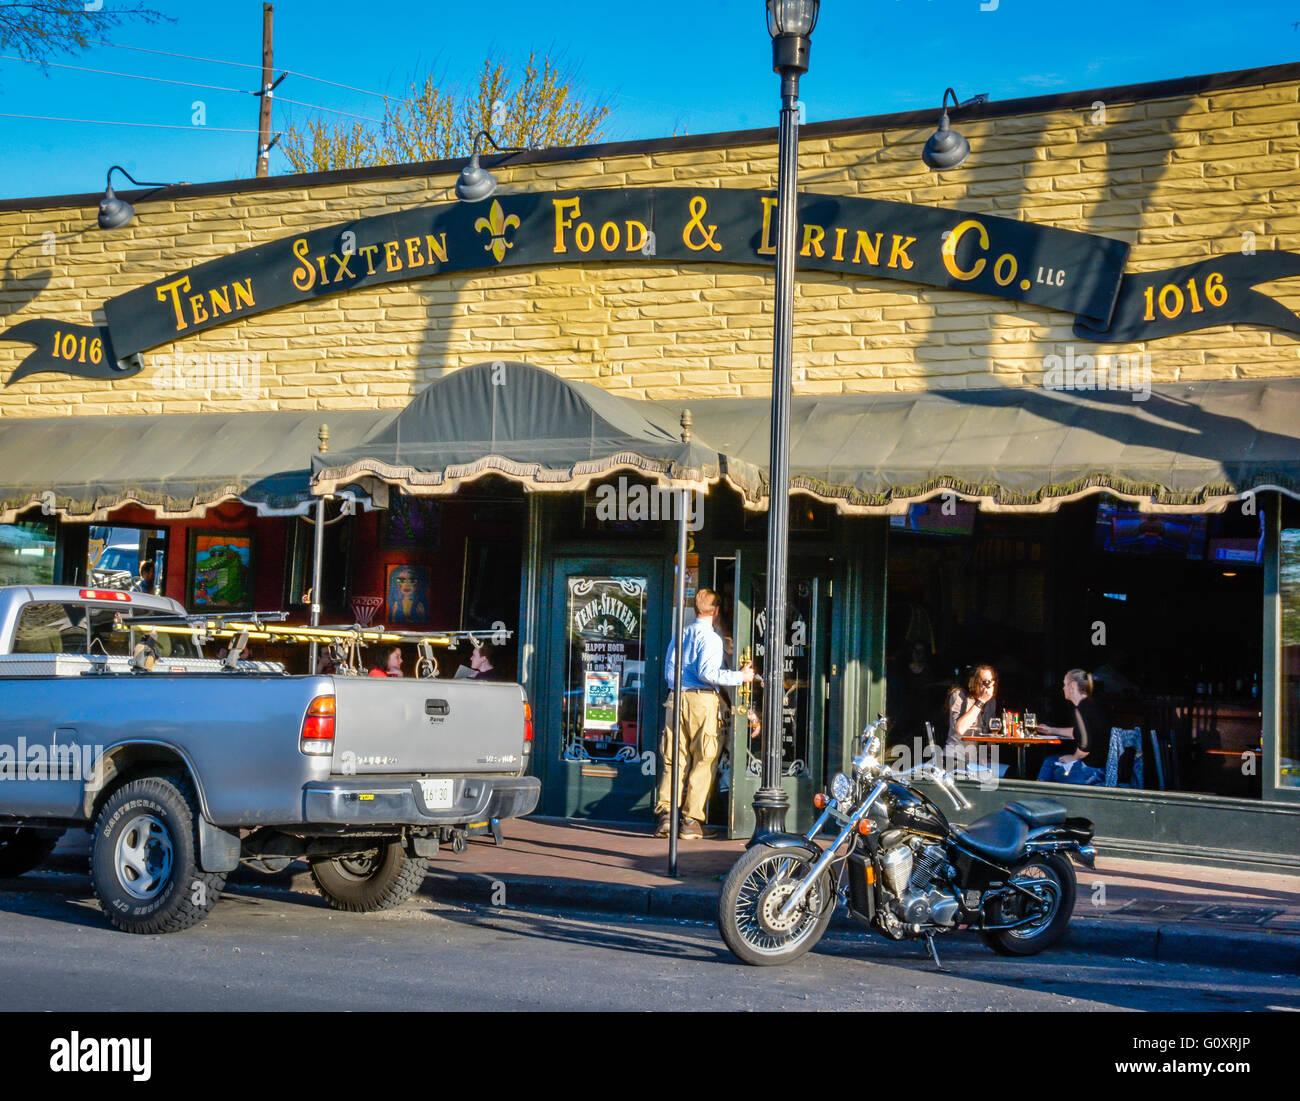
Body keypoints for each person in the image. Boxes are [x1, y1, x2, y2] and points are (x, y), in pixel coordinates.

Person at [656, 588, 755, 840]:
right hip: (701, 700)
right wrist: (740, 676)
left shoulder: (681, 635)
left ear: (696, 609)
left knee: (673, 758)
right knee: (704, 758)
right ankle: (690, 821)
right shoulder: (710, 638)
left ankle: (667, 816)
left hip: (675, 697)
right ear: (717, 611)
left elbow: (669, 671)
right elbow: (707, 673)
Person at [1035, 669, 1106, 784]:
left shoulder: (1081, 709)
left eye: (1064, 684)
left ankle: (1041, 794)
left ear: (1072, 686)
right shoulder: (1091, 705)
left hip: (1091, 771)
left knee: (1051, 770)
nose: (1063, 688)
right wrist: (1051, 730)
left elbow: (1085, 746)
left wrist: (1073, 757)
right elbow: (1080, 731)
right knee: (1050, 761)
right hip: (1100, 767)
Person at [944, 664, 998, 768]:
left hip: (976, 758)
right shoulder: (958, 695)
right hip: (955, 756)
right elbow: (960, 729)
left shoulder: (991, 702)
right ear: (974, 682)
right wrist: (981, 701)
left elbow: (991, 736)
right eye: (986, 682)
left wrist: (990, 755)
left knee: (1006, 772)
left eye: (992, 682)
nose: (989, 686)